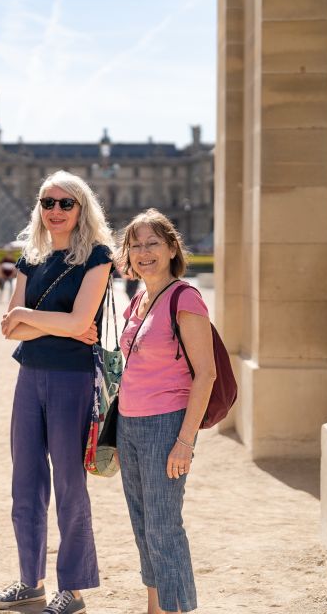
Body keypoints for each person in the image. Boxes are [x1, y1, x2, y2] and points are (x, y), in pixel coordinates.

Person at [0, 170, 114, 614]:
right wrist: (55, 324)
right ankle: (30, 581)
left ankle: (74, 588)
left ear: (82, 209)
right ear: (38, 209)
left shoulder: (97, 256)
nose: (56, 211)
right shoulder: (31, 257)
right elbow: (9, 329)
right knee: (24, 481)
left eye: (66, 203)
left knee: (68, 482)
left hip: (71, 379)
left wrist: (30, 317)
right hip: (30, 376)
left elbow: (80, 323)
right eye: (48, 202)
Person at [114, 209, 215, 614]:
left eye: (152, 243)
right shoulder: (139, 298)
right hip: (129, 424)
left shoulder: (184, 298)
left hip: (164, 426)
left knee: (164, 528)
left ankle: (176, 610)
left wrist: (185, 441)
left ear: (172, 248)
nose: (144, 252)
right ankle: (155, 608)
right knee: (143, 528)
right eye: (135, 245)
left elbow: (205, 374)